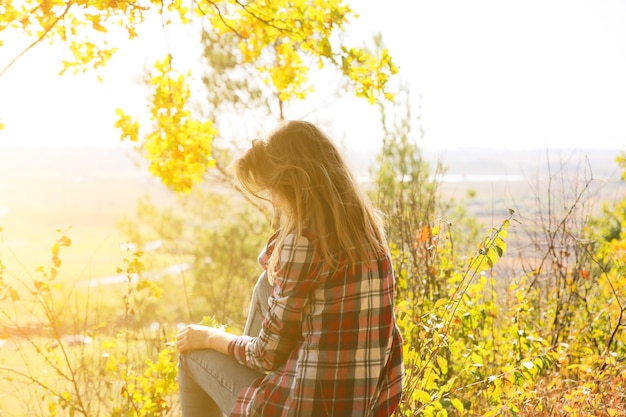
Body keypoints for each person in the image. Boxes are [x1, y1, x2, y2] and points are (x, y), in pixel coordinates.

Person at [176, 120, 404, 417]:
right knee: (264, 285)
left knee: (190, 356)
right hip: (361, 407)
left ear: (295, 184)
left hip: (304, 409)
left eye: (274, 190)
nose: (273, 200)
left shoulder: (306, 239)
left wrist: (210, 337)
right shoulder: (370, 233)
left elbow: (265, 355)